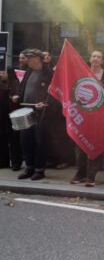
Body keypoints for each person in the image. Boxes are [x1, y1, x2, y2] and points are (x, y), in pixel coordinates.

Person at [70, 51, 104, 187]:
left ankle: (91, 176)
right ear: (90, 59)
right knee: (80, 145)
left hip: (99, 118)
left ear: (102, 61)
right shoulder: (81, 74)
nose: (96, 58)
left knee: (95, 146)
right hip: (82, 116)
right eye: (94, 56)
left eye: (99, 57)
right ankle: (80, 173)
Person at [15, 49, 53, 181]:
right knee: (26, 140)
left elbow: (54, 93)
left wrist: (45, 103)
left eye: (29, 58)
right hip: (26, 110)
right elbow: (23, 87)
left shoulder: (49, 73)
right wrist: (18, 96)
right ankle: (29, 168)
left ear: (37, 58)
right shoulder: (29, 71)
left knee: (39, 142)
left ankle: (39, 170)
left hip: (40, 112)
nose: (27, 60)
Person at [0, 68, 22, 171]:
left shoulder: (15, 83)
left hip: (12, 116)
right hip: (3, 116)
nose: (1, 74)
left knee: (14, 141)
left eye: (4, 72)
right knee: (3, 139)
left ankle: (16, 163)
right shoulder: (3, 84)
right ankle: (4, 162)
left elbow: (16, 97)